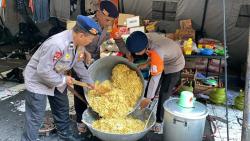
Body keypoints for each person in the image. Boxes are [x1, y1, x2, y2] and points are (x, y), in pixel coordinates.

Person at [21, 15, 101, 141]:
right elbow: (43, 70)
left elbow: (77, 63)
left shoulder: (77, 44)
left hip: (56, 77)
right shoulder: (57, 44)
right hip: (38, 80)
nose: (90, 42)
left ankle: (66, 136)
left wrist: (89, 82)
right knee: (35, 117)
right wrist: (63, 80)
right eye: (90, 39)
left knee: (62, 109)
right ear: (81, 35)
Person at [116, 31, 185, 132]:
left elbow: (155, 77)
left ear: (144, 47)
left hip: (174, 65)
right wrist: (147, 63)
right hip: (163, 57)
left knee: (164, 94)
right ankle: (142, 111)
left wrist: (148, 98)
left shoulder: (157, 50)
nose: (135, 54)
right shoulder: (144, 37)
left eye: (137, 52)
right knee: (150, 88)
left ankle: (159, 121)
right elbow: (153, 55)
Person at [72, 0, 119, 134]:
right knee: (81, 90)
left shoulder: (106, 26)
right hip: (80, 59)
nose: (108, 23)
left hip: (95, 60)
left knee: (95, 89)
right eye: (107, 19)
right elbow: (75, 42)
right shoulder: (85, 23)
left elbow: (110, 39)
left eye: (110, 20)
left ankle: (95, 113)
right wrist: (84, 53)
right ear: (99, 13)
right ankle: (80, 120)